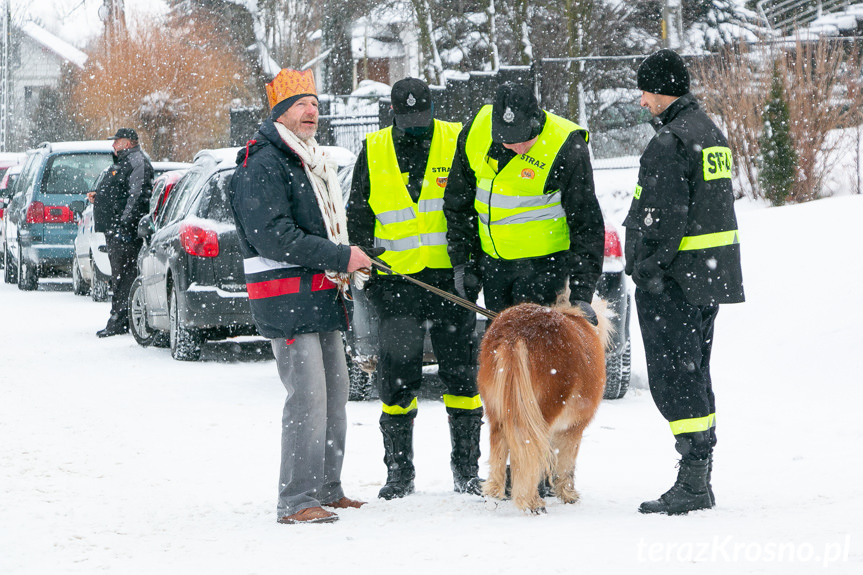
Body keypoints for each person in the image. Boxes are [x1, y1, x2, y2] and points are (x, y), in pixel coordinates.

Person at [229, 68, 372, 524]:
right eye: (299, 104)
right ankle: (295, 500)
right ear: (279, 115)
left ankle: (327, 487)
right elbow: (274, 236)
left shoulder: (309, 159)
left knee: (334, 394)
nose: (311, 111)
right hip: (285, 298)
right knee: (307, 396)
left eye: (314, 102)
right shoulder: (262, 163)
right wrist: (339, 254)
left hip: (321, 294)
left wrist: (345, 258)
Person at [347, 77, 484, 500]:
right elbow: (358, 212)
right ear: (393, 113)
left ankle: (466, 471)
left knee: (461, 377)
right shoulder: (372, 150)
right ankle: (399, 474)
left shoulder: (457, 138)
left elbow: (476, 204)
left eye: (421, 117)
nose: (416, 126)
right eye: (408, 119)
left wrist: (471, 266)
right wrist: (366, 260)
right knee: (396, 379)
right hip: (398, 284)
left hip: (450, 282)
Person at [624, 49, 745, 515]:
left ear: (662, 91)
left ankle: (694, 480)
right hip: (704, 278)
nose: (641, 101)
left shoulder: (669, 142)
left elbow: (662, 217)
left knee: (675, 378)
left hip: (672, 283)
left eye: (645, 92)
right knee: (694, 372)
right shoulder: (709, 133)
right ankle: (699, 474)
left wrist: (646, 267)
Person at [443, 82, 604, 318]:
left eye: (524, 140)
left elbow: (587, 223)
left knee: (537, 348)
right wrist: (464, 262)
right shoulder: (475, 132)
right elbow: (458, 203)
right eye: (508, 141)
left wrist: (581, 293)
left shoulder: (567, 147)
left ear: (536, 122)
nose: (517, 148)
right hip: (495, 267)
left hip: (545, 270)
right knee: (501, 347)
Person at [88, 128, 153, 338]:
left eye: (116, 142)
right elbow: (121, 193)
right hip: (116, 229)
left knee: (125, 277)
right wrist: (100, 197)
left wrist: (124, 225)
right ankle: (120, 319)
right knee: (120, 277)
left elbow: (137, 196)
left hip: (125, 232)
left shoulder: (136, 161)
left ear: (127, 143)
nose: (113, 146)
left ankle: (119, 321)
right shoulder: (124, 162)